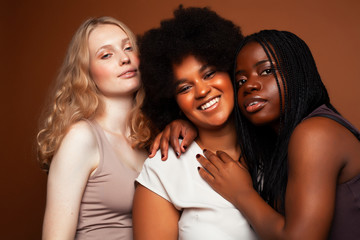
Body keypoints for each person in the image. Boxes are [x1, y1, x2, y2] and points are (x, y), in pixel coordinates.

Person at [155, 30, 360, 239]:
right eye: (241, 80)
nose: (250, 85)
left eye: (266, 71)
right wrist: (184, 122)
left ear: (298, 71)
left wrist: (242, 193)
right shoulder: (276, 145)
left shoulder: (316, 134)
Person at [132, 6, 257, 240]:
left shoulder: (275, 146)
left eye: (209, 74)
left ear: (230, 71)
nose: (202, 90)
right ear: (174, 101)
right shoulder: (166, 166)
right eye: (185, 87)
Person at [37, 17, 151, 239]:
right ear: (86, 72)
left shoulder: (148, 136)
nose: (124, 58)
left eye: (128, 47)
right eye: (106, 55)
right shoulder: (81, 137)